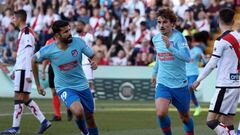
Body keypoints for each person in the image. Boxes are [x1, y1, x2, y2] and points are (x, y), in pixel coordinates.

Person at [32, 20, 99, 135]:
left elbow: (93, 56)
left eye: (69, 30)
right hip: (64, 87)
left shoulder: (79, 43)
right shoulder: (49, 49)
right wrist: (38, 85)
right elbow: (33, 60)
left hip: (82, 85)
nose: (69, 33)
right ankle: (85, 133)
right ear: (57, 35)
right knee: (78, 112)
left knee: (90, 119)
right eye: (66, 32)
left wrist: (94, 63)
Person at [0, 10, 51, 134]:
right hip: (21, 68)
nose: (12, 20)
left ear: (19, 19)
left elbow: (29, 54)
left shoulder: (27, 33)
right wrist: (14, 70)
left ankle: (15, 128)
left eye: (14, 18)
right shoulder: (22, 33)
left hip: (24, 70)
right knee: (25, 97)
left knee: (18, 96)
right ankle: (44, 122)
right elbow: (22, 54)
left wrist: (27, 73)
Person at [192, 8, 240, 135]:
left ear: (219, 21)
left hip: (225, 85)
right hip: (236, 84)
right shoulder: (239, 37)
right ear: (233, 20)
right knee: (227, 120)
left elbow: (212, 63)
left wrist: (198, 80)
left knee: (211, 121)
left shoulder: (221, 41)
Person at [151, 8, 194, 135]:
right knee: (161, 113)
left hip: (180, 85)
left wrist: (170, 47)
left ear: (172, 24)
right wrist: (154, 72)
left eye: (165, 22)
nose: (161, 25)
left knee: (185, 118)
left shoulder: (179, 38)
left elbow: (187, 58)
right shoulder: (156, 39)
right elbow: (159, 56)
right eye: (159, 22)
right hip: (163, 82)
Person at [42, 36, 73, 121]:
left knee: (65, 90)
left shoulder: (66, 41)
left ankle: (69, 108)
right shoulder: (49, 42)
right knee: (54, 92)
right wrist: (43, 71)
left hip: (62, 67)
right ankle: (57, 115)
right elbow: (45, 57)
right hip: (52, 67)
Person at [74, 20, 96, 103]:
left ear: (83, 26)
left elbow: (93, 43)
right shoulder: (74, 36)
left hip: (86, 62)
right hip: (77, 64)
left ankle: (93, 104)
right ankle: (81, 103)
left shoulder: (89, 36)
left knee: (89, 83)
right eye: (76, 25)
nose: (77, 27)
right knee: (78, 84)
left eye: (79, 25)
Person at [185, 36, 206, 116]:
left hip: (193, 74)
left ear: (191, 41)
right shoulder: (183, 51)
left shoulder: (197, 50)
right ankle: (197, 107)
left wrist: (202, 59)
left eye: (187, 42)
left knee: (189, 88)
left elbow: (204, 60)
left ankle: (193, 88)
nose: (185, 44)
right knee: (188, 91)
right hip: (184, 74)